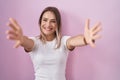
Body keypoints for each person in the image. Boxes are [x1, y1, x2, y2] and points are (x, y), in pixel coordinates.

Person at [6, 6, 101, 80]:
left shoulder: (63, 41)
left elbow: (74, 40)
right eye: (45, 20)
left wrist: (85, 39)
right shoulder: (35, 42)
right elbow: (27, 42)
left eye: (53, 21)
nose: (48, 25)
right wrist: (22, 39)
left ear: (57, 25)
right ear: (40, 22)